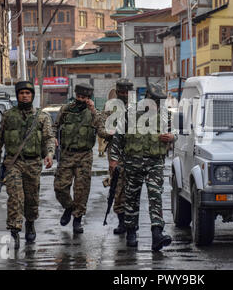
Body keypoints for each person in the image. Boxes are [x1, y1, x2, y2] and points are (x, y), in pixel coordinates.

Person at [0, 81, 55, 249]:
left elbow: (48, 138)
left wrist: (50, 154)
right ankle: (15, 230)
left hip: (33, 163)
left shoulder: (41, 117)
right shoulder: (9, 116)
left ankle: (30, 222)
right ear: (17, 96)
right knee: (15, 197)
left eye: (28, 93)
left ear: (32, 95)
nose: (24, 95)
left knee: (31, 199)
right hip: (13, 163)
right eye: (21, 93)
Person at [109, 83, 174, 251]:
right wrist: (114, 160)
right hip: (133, 163)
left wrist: (172, 137)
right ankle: (131, 232)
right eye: (155, 102)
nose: (158, 106)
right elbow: (118, 138)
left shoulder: (165, 117)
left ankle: (157, 234)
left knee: (155, 196)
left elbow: (177, 135)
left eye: (160, 103)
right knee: (131, 197)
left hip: (155, 163)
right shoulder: (130, 115)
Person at [53, 83, 109, 234]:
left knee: (82, 190)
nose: (80, 99)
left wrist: (93, 110)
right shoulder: (66, 110)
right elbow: (54, 126)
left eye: (84, 98)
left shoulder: (93, 113)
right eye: (78, 96)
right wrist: (53, 138)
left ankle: (77, 219)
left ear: (89, 98)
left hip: (84, 155)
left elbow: (102, 131)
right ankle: (69, 207)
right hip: (67, 154)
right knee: (60, 187)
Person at [103, 78, 133, 235]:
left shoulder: (138, 108)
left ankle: (131, 222)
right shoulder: (110, 108)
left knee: (133, 190)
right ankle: (122, 222)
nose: (124, 95)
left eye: (127, 92)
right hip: (116, 154)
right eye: (121, 92)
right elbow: (102, 127)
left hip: (134, 154)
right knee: (118, 188)